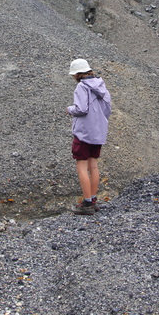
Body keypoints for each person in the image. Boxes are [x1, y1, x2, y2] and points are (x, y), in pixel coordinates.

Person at [65, 58, 112, 215]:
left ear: (77, 74)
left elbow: (81, 109)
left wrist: (69, 109)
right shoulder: (101, 85)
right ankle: (92, 199)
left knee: (82, 168)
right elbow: (107, 109)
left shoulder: (81, 87)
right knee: (94, 166)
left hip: (84, 133)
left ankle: (86, 203)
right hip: (98, 132)